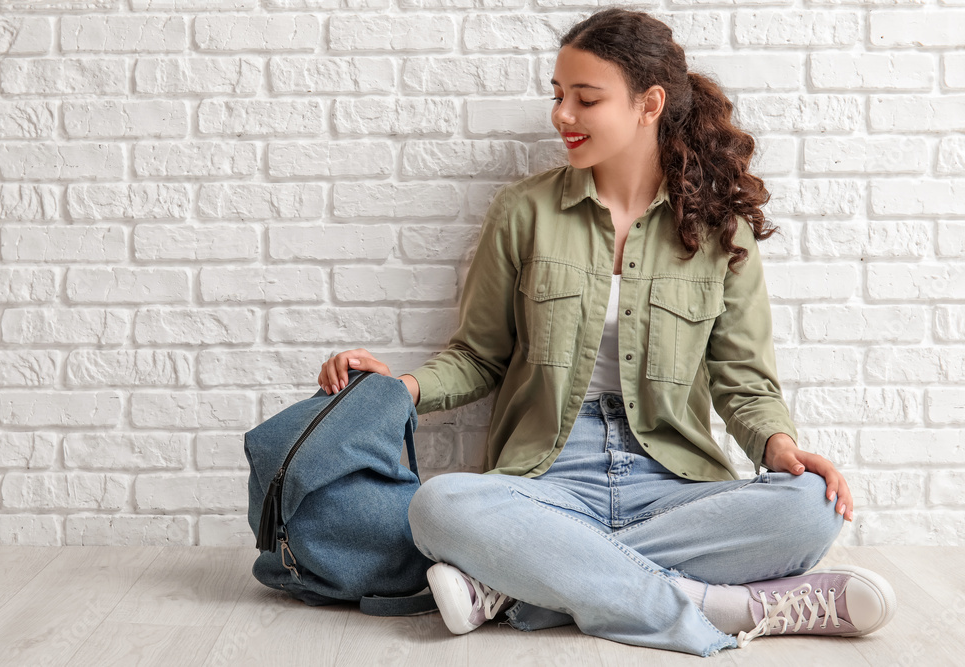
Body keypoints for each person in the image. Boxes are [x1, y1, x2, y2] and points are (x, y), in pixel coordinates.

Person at [316, 7, 896, 658]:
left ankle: (517, 587)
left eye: (585, 98)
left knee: (815, 503)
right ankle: (714, 604)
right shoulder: (524, 211)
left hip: (672, 487)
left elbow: (744, 382)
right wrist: (401, 385)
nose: (562, 115)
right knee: (437, 506)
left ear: (649, 104)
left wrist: (781, 446)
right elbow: (480, 356)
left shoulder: (720, 230)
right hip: (547, 482)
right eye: (558, 96)